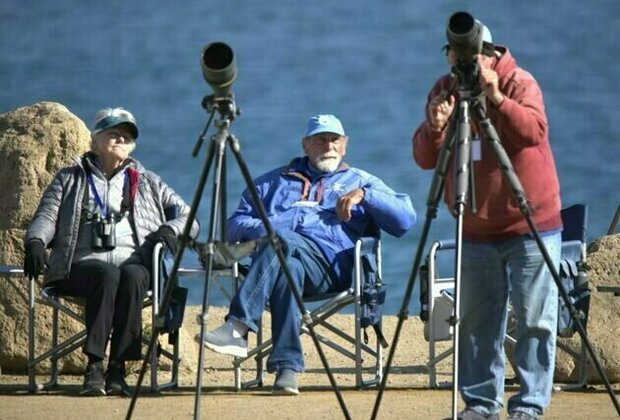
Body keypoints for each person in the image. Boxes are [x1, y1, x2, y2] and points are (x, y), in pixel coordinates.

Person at [200, 114, 417, 395]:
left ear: (344, 146)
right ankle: (287, 368)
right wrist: (281, 222)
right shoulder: (270, 183)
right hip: (281, 262)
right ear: (305, 145)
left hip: (332, 268)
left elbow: (405, 221)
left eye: (334, 140)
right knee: (286, 264)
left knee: (280, 245)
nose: (328, 146)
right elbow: (233, 227)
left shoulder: (361, 181)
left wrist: (365, 196)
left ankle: (238, 327)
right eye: (320, 140)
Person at [412, 17, 562, 420]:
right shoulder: (446, 91)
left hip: (530, 225)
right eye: (456, 55)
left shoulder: (518, 82)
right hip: (474, 227)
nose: (464, 64)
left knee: (534, 320)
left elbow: (533, 133)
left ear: (493, 55)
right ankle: (480, 405)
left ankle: (529, 406)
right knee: (476, 323)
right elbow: (426, 158)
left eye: (473, 56)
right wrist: (435, 127)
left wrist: (497, 99)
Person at [23, 107, 199, 396]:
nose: (121, 138)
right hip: (79, 265)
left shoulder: (148, 181)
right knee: (107, 274)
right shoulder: (69, 178)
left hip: (134, 263)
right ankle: (94, 366)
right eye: (113, 132)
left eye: (127, 135)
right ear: (95, 137)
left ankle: (117, 368)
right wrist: (36, 242)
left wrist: (170, 230)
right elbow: (46, 217)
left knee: (130, 277)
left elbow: (188, 216)